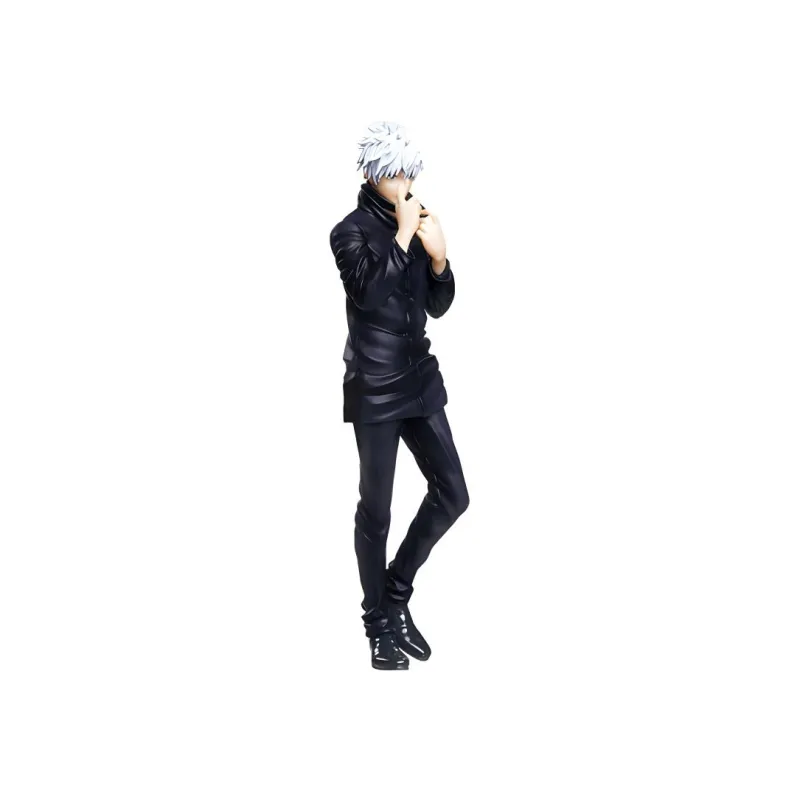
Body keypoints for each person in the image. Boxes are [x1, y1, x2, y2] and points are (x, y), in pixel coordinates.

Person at [329, 122, 470, 670]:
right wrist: (405, 237)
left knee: (453, 494)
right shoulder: (349, 232)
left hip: (419, 375)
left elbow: (437, 306)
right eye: (393, 175)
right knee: (377, 511)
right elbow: (368, 293)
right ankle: (377, 624)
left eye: (408, 173)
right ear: (372, 175)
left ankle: (395, 593)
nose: (403, 184)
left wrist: (440, 260)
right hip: (374, 383)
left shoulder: (412, 219)